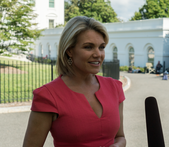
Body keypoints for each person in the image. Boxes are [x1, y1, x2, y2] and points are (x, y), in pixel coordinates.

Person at [23, 16, 126, 147]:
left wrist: (117, 145)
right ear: (69, 51)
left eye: (101, 47)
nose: (98, 54)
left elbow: (120, 137)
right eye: (88, 47)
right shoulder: (48, 95)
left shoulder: (114, 87)